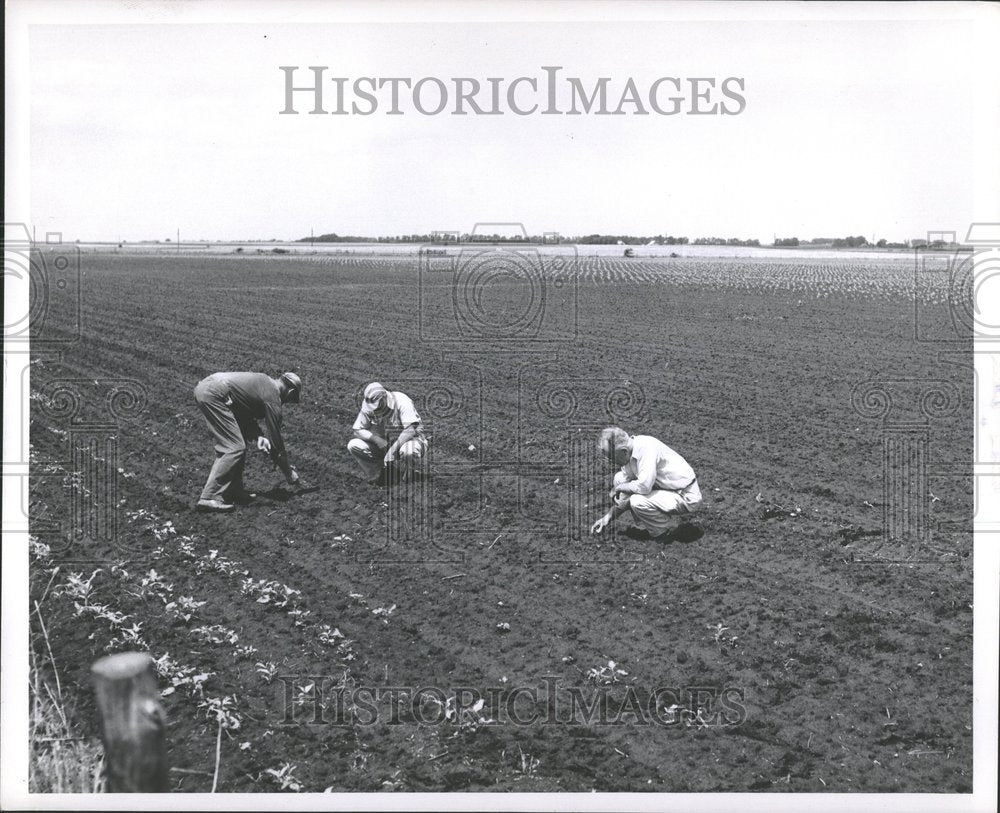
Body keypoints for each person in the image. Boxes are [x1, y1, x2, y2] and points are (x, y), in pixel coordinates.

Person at [193, 371, 303, 511]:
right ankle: (209, 497)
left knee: (238, 443)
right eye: (291, 398)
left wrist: (258, 436)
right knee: (234, 447)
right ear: (290, 391)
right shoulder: (273, 397)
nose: (287, 402)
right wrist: (289, 473)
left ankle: (233, 491)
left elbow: (242, 412)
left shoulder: (264, 383)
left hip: (208, 388)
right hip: (214, 394)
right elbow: (277, 445)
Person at [589, 426, 702, 539]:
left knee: (637, 501)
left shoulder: (646, 448)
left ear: (623, 451)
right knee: (620, 479)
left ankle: (664, 533)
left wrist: (620, 488)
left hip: (685, 495)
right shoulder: (629, 454)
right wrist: (607, 518)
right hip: (667, 490)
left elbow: (644, 487)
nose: (612, 462)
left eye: (612, 458)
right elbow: (624, 497)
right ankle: (650, 525)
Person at [348, 382, 427, 484]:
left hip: (409, 441)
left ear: (384, 397)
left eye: (377, 407)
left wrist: (392, 451)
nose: (374, 411)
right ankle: (381, 473)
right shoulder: (368, 405)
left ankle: (410, 473)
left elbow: (410, 429)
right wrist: (377, 440)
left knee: (408, 451)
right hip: (385, 444)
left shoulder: (402, 401)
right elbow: (357, 430)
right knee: (353, 445)